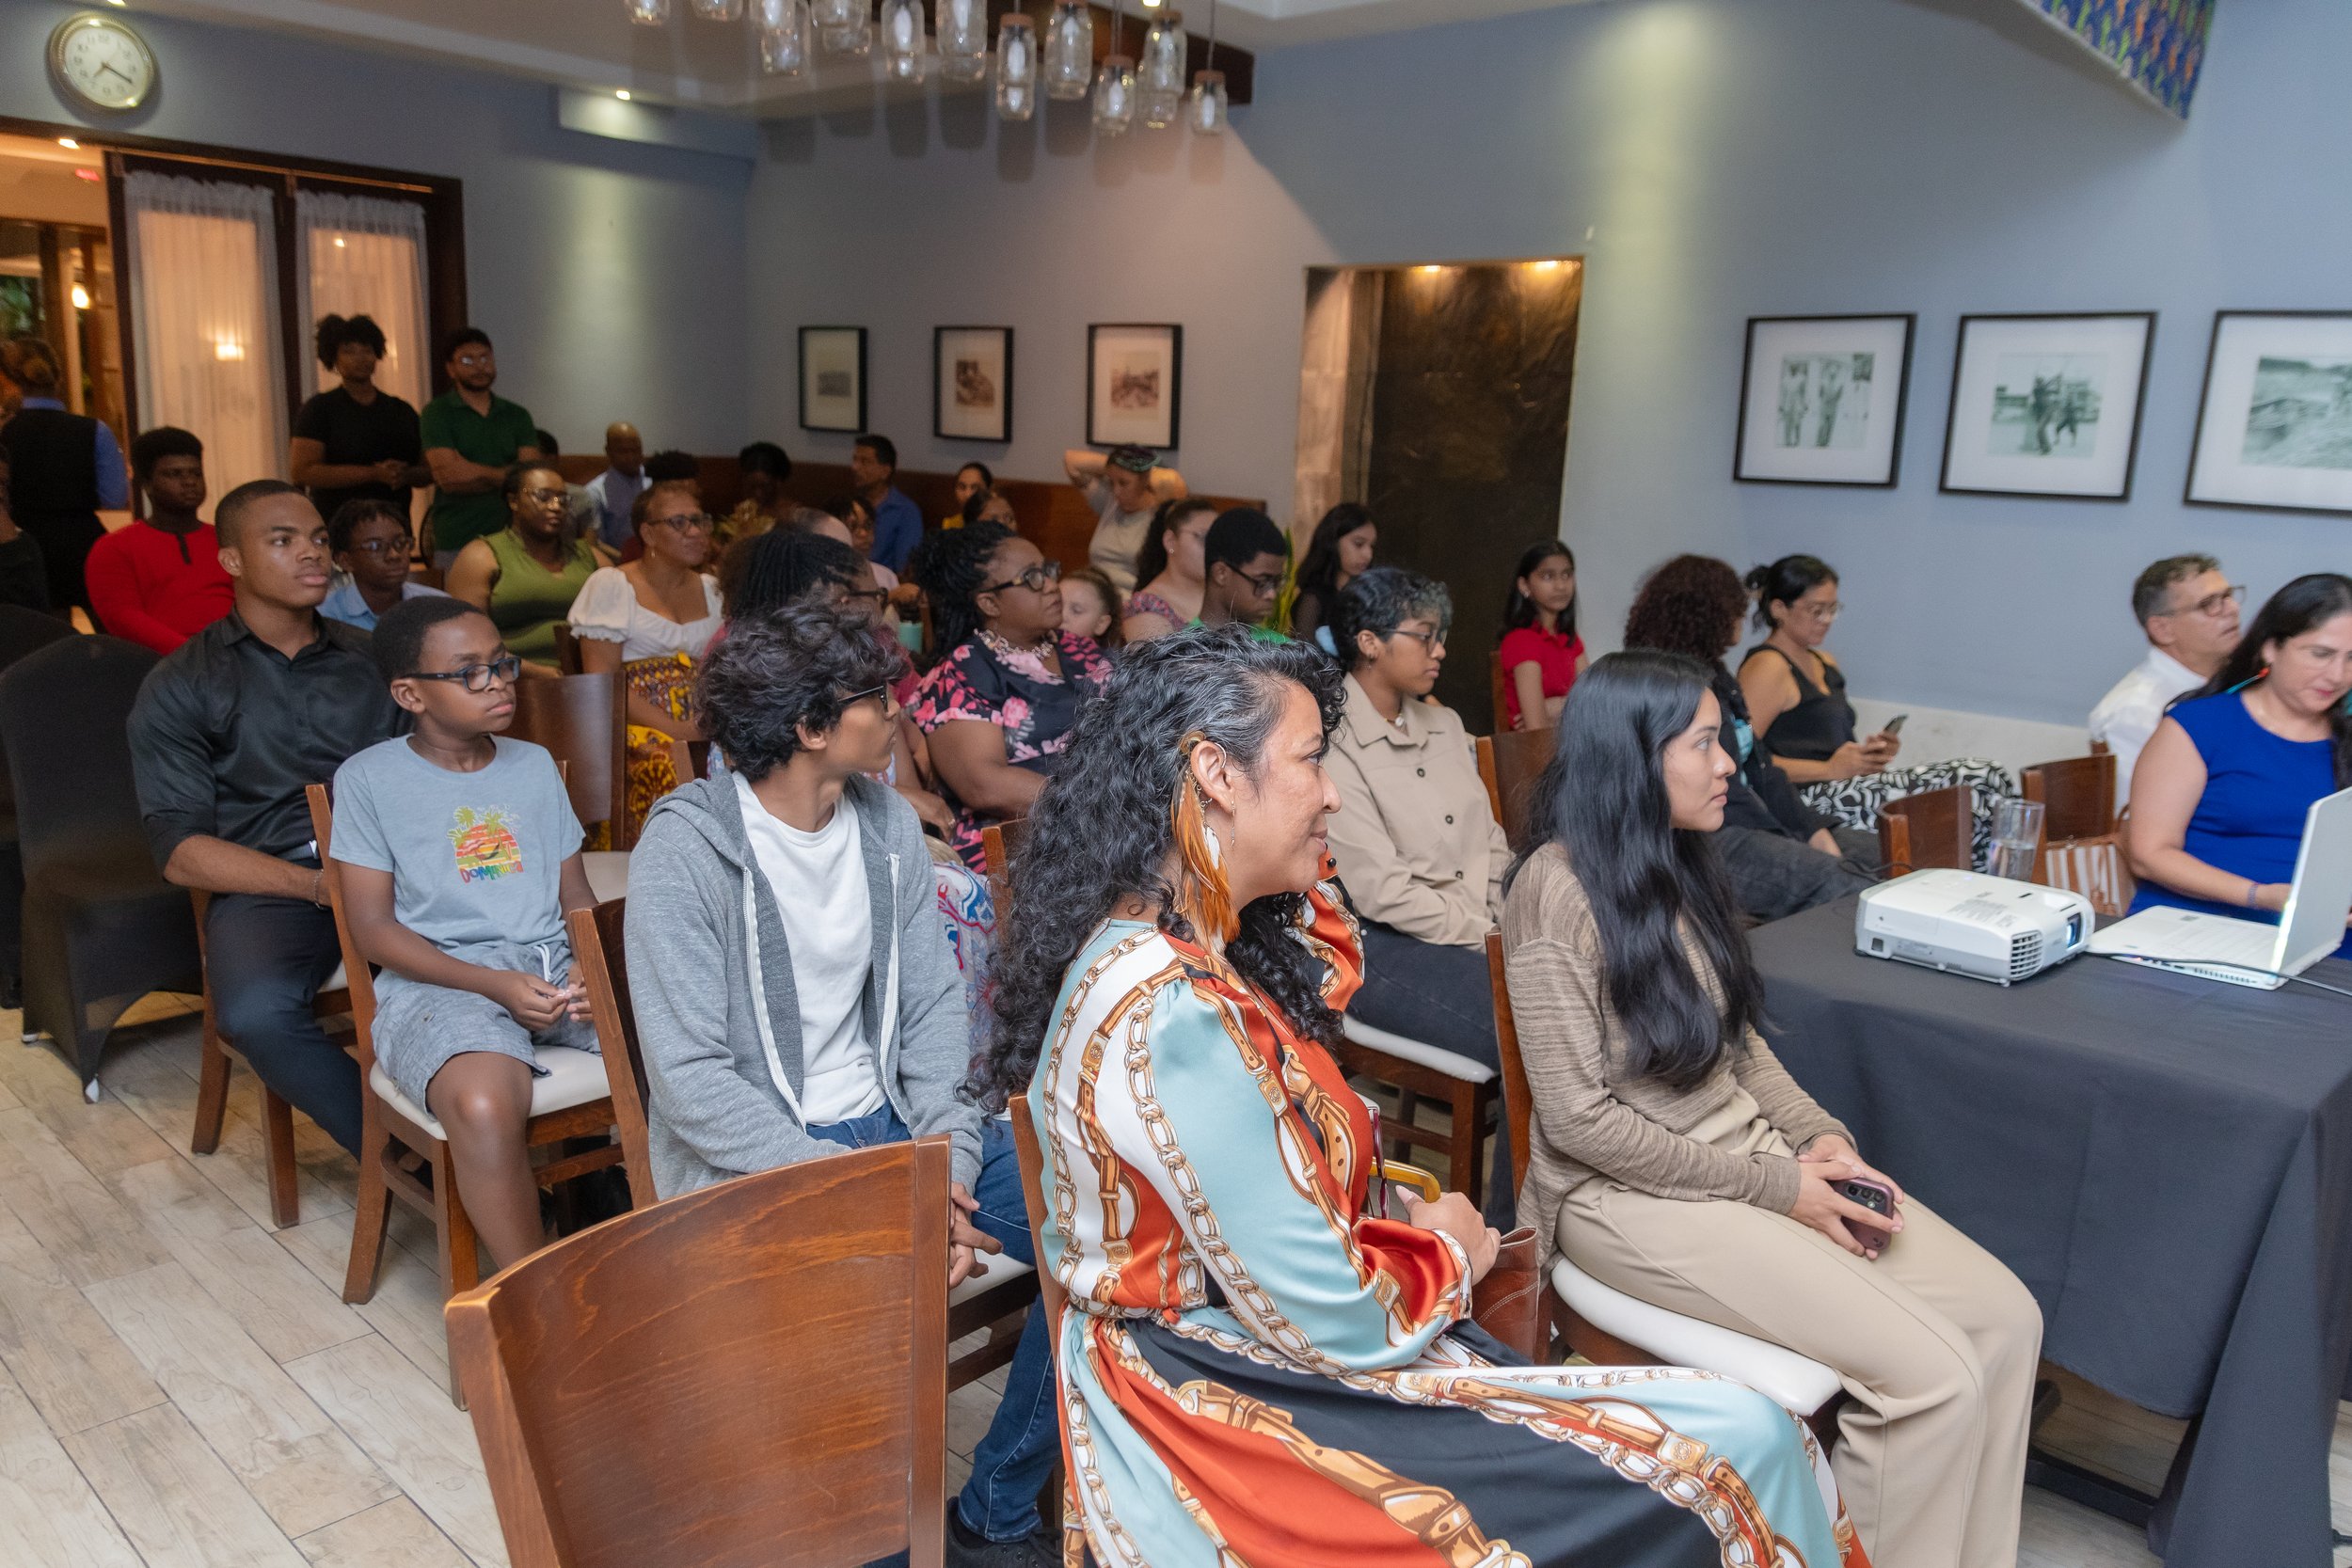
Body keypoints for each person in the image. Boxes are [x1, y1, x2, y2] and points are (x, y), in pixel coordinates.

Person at [980, 626, 1867, 1568]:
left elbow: (1297, 1113)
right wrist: (1454, 1240)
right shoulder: (1173, 1012)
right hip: (1220, 1399)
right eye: (1312, 760)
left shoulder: (1188, 951)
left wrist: (1411, 1220)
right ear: (1216, 773)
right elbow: (1331, 1316)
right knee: (1734, 1442)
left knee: (1738, 1432)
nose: (1330, 792)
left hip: (1251, 1346)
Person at [1503, 649, 2041, 1568]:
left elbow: (1740, 1046)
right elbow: (1578, 1122)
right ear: (1633, 755)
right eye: (1708, 742)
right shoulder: (1554, 887)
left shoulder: (1676, 858)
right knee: (1932, 1382)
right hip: (1627, 1200)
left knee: (2007, 1320)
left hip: (1754, 1166)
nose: (1730, 766)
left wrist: (1819, 1137)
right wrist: (1777, 1184)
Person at [625, 601, 1060, 1566]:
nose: (899, 716)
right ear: (810, 727)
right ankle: (866, 1543)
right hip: (761, 1157)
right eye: (877, 699)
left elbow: (934, 1020)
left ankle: (996, 1502)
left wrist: (940, 1158)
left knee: (1113, 1225)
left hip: (900, 1128)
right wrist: (871, 1188)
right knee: (862, 1345)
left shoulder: (884, 829)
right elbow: (693, 1085)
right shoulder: (687, 849)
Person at [129, 481, 405, 1156]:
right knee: (254, 1013)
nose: (312, 554)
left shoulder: (373, 659)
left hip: (397, 870)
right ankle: (409, 1162)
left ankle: (562, 1155)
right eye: (282, 541)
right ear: (231, 561)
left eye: (315, 538)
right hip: (276, 887)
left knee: (535, 953)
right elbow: (181, 850)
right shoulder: (184, 681)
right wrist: (315, 885)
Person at [330, 596, 596, 1271]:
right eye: (470, 672)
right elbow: (372, 929)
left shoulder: (533, 764)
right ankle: (534, 1295)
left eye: (501, 663)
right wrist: (494, 984)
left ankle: (669, 1240)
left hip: (553, 966)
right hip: (440, 981)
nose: (499, 680)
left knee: (695, 1039)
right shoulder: (369, 780)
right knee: (481, 1102)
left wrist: (589, 966)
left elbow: (574, 894)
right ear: (409, 692)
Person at [1322, 568, 1514, 1223]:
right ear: (1370, 642)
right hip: (1380, 949)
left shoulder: (1446, 720)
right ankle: (1517, 1225)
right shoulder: (1333, 737)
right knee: (1535, 1029)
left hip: (1476, 931)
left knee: (1569, 998)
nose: (1439, 651)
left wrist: (1505, 915)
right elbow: (1380, 890)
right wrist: (1487, 935)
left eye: (1442, 636)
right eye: (1425, 636)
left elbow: (1489, 840)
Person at [1625, 555, 1875, 921]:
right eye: (1735, 610)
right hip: (1712, 834)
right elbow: (1722, 790)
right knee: (1850, 889)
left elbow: (1761, 768)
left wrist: (1809, 829)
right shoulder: (1669, 685)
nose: (1742, 618)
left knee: (1881, 861)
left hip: (1752, 818)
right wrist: (1787, 837)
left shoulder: (1719, 676)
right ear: (1707, 613)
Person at [2125, 573, 2352, 958]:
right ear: (2271, 648)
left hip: (2322, 942)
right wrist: (2261, 896)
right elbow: (2149, 854)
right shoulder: (2200, 726)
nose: (2337, 676)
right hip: (2200, 933)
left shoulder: (2344, 736)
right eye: (2320, 654)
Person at [1738, 554, 2012, 861]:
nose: (1826, 620)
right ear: (1779, 609)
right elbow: (1744, 759)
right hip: (1809, 798)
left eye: (1833, 609)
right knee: (1977, 776)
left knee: (1989, 779)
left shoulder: (1824, 662)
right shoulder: (1767, 667)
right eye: (1817, 610)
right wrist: (1828, 769)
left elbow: (1831, 744)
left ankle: (1998, 882)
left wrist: (1867, 754)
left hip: (1847, 785)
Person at [723, 526, 954, 840]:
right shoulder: (756, 680)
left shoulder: (869, 683)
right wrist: (892, 799)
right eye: (875, 596)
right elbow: (772, 796)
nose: (878, 608)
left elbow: (907, 786)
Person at [906, 521, 1111, 870]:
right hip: (1018, 849)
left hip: (1106, 833)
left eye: (1048, 570)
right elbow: (984, 783)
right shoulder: (963, 672)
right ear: (989, 602)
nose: (1050, 585)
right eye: (1031, 578)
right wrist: (1100, 807)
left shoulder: (1082, 651)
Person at [567, 481, 722, 839]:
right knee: (666, 763)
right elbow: (604, 684)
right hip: (632, 724)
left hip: (705, 717)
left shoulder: (713, 589)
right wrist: (677, 729)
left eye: (700, 521)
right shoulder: (612, 584)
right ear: (648, 533)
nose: (696, 532)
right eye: (680, 522)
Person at [2090, 554, 2243, 811]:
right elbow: (2136, 819)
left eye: (2228, 596)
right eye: (2209, 604)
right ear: (2163, 629)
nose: (2232, 610)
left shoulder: (2242, 682)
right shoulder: (2132, 712)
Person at [0, 335, 126, 616]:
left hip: (26, 545)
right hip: (83, 541)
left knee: (43, 634)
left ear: (9, 381)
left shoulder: (5, 433)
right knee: (107, 626)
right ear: (58, 379)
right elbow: (116, 498)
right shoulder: (94, 430)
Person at [446, 461, 611, 669]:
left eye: (563, 499)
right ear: (514, 501)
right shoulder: (481, 556)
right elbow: (467, 639)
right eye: (544, 497)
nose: (556, 506)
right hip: (509, 678)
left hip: (589, 675)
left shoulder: (592, 557)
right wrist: (536, 673)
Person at [84, 426, 233, 654]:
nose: (189, 482)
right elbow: (124, 619)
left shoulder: (228, 539)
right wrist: (193, 655)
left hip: (236, 658)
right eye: (174, 474)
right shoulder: (113, 548)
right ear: (147, 484)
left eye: (196, 473)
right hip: (156, 668)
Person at [419, 327, 540, 571]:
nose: (479, 366)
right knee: (458, 608)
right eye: (467, 360)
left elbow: (529, 478)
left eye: (485, 358)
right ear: (451, 369)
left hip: (514, 535)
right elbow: (449, 479)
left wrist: (474, 471)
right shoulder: (437, 413)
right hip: (457, 536)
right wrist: (507, 477)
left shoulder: (517, 414)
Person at [289, 314, 426, 528]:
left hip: (394, 523)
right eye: (349, 351)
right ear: (333, 358)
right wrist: (373, 474)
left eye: (367, 350)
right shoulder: (320, 409)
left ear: (377, 355)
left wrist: (404, 474)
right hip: (338, 526)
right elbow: (302, 471)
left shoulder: (400, 410)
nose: (360, 358)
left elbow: (427, 470)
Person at [1061, 443, 1185, 592]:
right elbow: (1071, 461)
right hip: (1094, 594)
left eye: (1124, 483)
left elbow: (1173, 483)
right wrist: (1116, 465)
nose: (1116, 491)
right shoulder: (1109, 503)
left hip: (1131, 601)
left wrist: (1142, 467)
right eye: (1112, 482)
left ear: (1146, 479)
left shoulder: (1159, 516)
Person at [319, 499, 448, 631]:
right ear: (345, 561)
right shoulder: (324, 617)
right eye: (376, 546)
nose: (394, 555)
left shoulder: (438, 607)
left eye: (400, 542)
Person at [1499, 539, 1585, 730]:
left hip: (1565, 746)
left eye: (1567, 575)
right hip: (1529, 753)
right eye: (1548, 576)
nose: (1561, 586)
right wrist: (1572, 706)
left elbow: (1595, 703)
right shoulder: (1522, 640)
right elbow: (1535, 728)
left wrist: (1558, 706)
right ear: (1524, 585)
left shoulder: (1569, 638)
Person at [1119, 496, 1216, 641]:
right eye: (1204, 537)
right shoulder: (1145, 609)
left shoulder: (1224, 593)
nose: (1214, 548)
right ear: (1170, 541)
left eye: (1218, 539)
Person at [1287, 500, 1376, 646]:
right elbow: (1303, 658)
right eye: (1359, 544)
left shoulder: (1369, 596)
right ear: (1332, 542)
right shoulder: (1313, 600)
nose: (1368, 554)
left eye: (1371, 546)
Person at [1195, 506, 1289, 640]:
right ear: (1221, 573)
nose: (1271, 594)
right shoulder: (1180, 654)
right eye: (1262, 582)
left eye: (1277, 582)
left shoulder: (1283, 651)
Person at [849, 434, 922, 575]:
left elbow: (905, 569)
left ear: (885, 471)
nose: (855, 467)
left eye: (865, 462)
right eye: (855, 460)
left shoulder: (905, 511)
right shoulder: (850, 505)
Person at [583, 422, 647, 552]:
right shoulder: (595, 492)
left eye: (636, 450)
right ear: (608, 452)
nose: (631, 457)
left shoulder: (655, 480)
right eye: (623, 451)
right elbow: (595, 542)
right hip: (618, 562)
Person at [0, 451, 52, 611]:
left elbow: (33, 618)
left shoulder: (23, 545)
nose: (1, 494)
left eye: (4, 484)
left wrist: (11, 547)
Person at [719, 440, 792, 547]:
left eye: (765, 486)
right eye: (751, 487)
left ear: (778, 482)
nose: (758, 493)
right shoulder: (740, 514)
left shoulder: (790, 516)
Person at [1058, 565, 1121, 646]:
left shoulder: (1101, 658)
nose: (1062, 616)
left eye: (1076, 611)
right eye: (1057, 606)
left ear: (1100, 624)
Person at [945, 461, 993, 528]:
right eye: (962, 487)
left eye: (975, 488)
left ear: (989, 490)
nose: (968, 495)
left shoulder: (998, 523)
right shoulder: (951, 525)